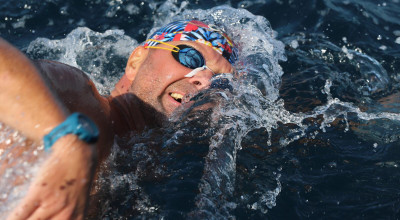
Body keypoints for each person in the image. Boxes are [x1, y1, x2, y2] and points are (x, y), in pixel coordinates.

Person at [0, 20, 238, 219]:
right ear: (136, 62)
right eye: (190, 57)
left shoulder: (151, 180)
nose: (204, 81)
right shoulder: (79, 98)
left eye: (220, 81)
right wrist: (67, 141)